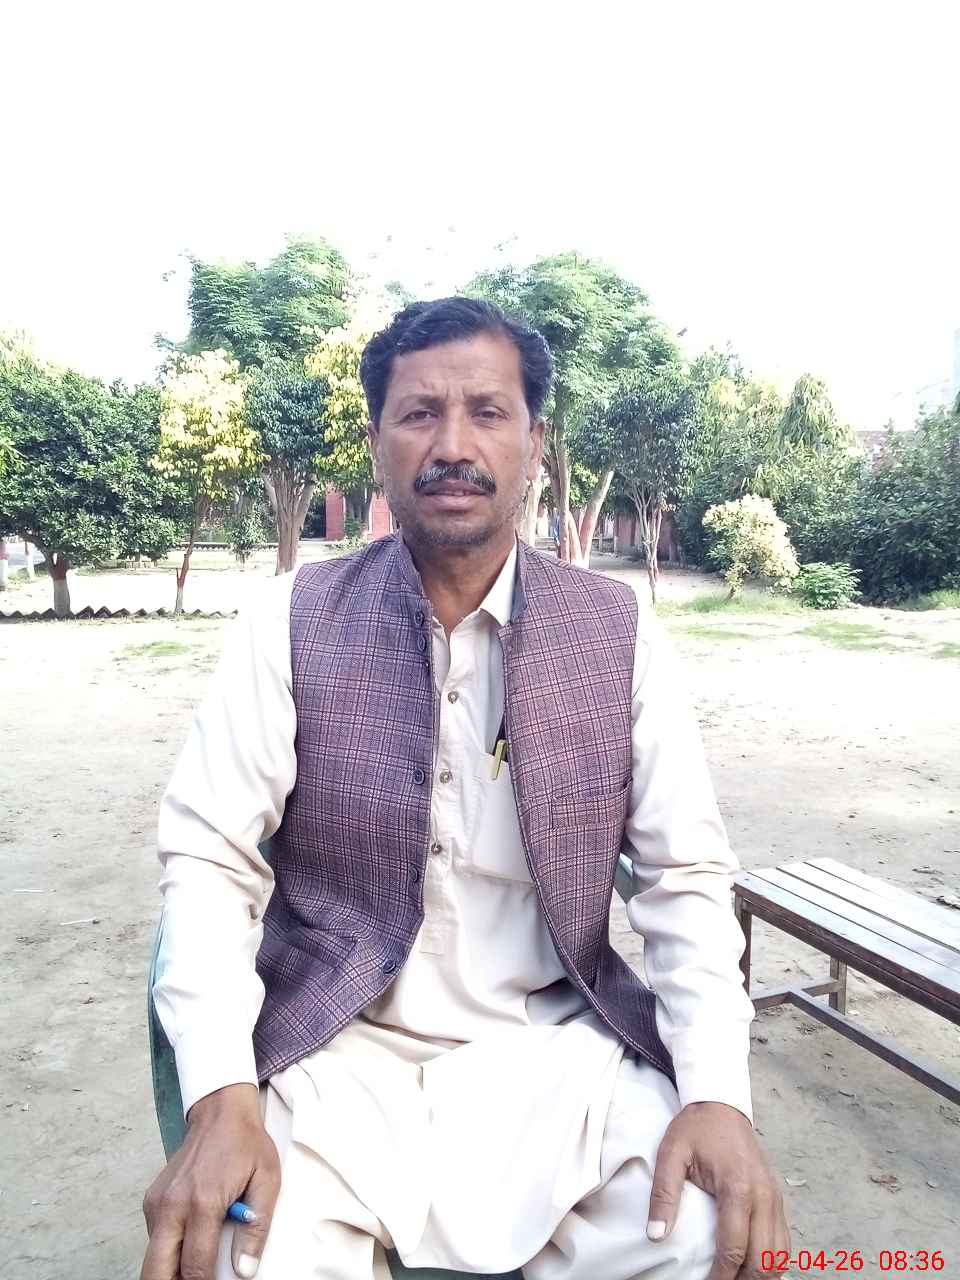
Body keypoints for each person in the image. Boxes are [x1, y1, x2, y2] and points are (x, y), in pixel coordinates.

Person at [142, 297, 789, 1280]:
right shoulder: (290, 620)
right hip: (334, 1054)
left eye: (487, 412)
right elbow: (208, 855)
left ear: (534, 443)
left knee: (704, 1236)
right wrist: (220, 1091)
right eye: (419, 414)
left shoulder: (617, 632)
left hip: (562, 1056)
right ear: (377, 444)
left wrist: (716, 1094)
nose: (453, 445)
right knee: (236, 1249)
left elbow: (683, 875)